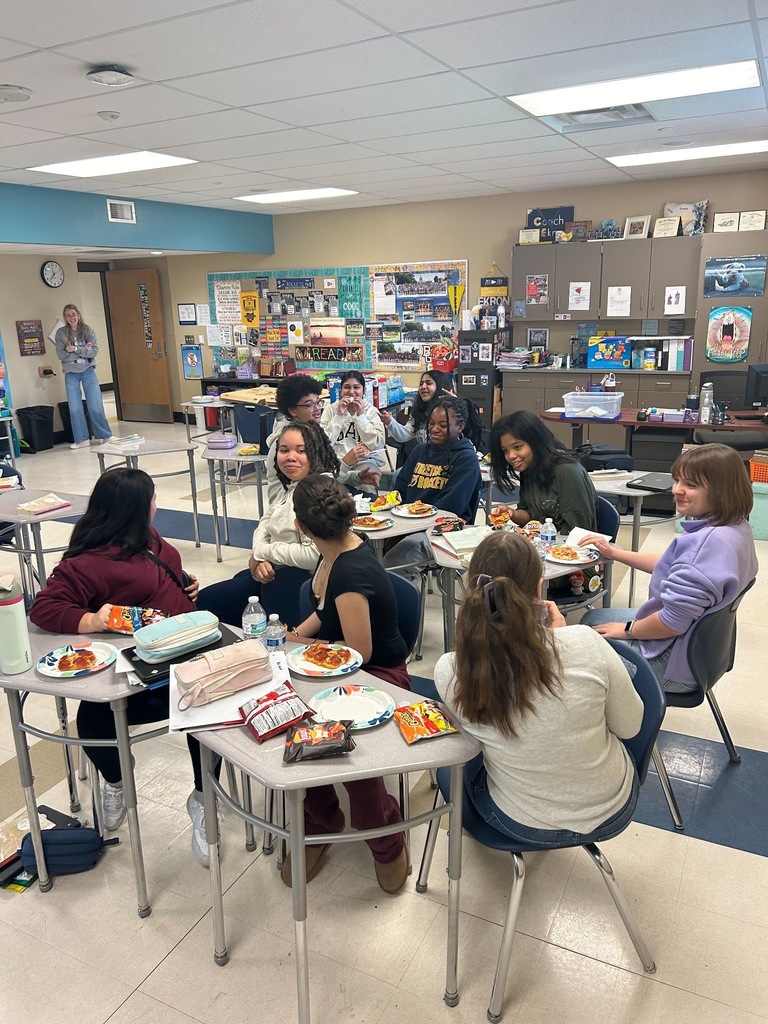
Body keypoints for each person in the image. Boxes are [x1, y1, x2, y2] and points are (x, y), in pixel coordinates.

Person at [28, 468, 216, 867]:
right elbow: (45, 608)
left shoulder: (145, 537)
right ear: (135, 508)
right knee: (94, 720)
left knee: (207, 707)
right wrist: (97, 619)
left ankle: (202, 797)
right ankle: (116, 778)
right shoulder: (88, 563)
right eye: (151, 499)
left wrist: (185, 583)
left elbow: (161, 574)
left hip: (186, 651)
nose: (156, 505)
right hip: (137, 673)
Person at [434, 531, 643, 843]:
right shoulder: (585, 641)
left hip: (520, 820)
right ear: (538, 587)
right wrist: (562, 637)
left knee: (459, 765)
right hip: (611, 807)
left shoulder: (450, 669)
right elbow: (630, 728)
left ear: (470, 587)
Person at [281, 474, 410, 892]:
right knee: (293, 724)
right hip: (345, 664)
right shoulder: (336, 552)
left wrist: (298, 642)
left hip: (380, 674)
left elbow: (360, 653)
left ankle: (382, 831)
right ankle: (321, 816)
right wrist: (295, 635)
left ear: (301, 526)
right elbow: (325, 613)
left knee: (343, 749)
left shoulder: (351, 570)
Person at [580, 444, 758, 693]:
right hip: (703, 654)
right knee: (593, 619)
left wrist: (628, 630)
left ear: (722, 492)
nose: (677, 490)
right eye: (677, 480)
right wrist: (615, 553)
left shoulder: (706, 547)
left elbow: (672, 623)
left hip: (673, 664)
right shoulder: (736, 528)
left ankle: (613, 721)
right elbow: (675, 565)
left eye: (691, 485)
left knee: (577, 654)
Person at [196, 421, 338, 627]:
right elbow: (265, 522)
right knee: (224, 589)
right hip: (273, 571)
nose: (290, 457)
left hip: (293, 582)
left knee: (206, 602)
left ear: (316, 453)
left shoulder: (318, 492)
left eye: (301, 450)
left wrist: (264, 554)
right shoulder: (291, 486)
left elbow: (315, 555)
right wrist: (259, 557)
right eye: (283, 450)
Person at [384, 395, 482, 566]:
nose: (435, 429)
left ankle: (403, 589)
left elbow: (451, 508)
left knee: (395, 561)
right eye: (431, 424)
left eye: (443, 425)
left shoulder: (466, 459)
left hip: (443, 531)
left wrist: (408, 522)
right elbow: (401, 489)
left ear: (460, 427)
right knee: (366, 549)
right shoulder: (420, 450)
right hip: (409, 524)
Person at [489, 410, 598, 533]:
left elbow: (580, 531)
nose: (511, 456)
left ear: (535, 442)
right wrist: (512, 513)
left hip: (570, 547)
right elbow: (531, 516)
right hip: (542, 543)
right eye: (505, 451)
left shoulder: (567, 471)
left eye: (517, 447)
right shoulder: (529, 467)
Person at [54, 304, 114, 450]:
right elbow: (61, 355)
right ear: (65, 318)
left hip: (88, 371)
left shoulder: (87, 330)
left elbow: (93, 351)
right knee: (75, 407)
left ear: (78, 315)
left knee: (95, 404)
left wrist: (74, 349)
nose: (71, 318)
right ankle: (81, 439)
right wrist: (83, 350)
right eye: (68, 315)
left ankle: (104, 435)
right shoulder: (61, 333)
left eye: (73, 314)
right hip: (70, 373)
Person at [320, 370, 387, 494]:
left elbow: (377, 444)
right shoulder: (330, 410)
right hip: (336, 462)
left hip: (364, 461)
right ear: (341, 391)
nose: (351, 392)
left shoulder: (371, 411)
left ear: (364, 391)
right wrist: (339, 416)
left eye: (356, 387)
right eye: (346, 387)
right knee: (329, 489)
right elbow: (323, 444)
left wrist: (360, 416)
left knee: (367, 485)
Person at [264, 373, 324, 506]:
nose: (317, 408)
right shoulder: (285, 441)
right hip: (288, 506)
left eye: (318, 402)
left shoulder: (309, 431)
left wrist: (356, 476)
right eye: (309, 405)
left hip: (309, 497)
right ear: (292, 411)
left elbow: (322, 474)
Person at [378, 369, 455, 445]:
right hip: (427, 456)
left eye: (428, 383)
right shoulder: (419, 411)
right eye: (421, 384)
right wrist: (390, 422)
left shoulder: (452, 410)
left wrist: (455, 405)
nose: (423, 386)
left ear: (440, 387)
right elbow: (404, 435)